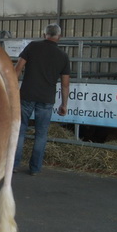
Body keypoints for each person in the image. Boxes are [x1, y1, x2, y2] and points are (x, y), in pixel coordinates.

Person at [14, 23, 70, 176]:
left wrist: (10, 90)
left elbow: (18, 68)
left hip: (26, 95)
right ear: (59, 37)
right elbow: (65, 84)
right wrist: (64, 104)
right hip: (46, 99)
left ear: (44, 34)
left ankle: (14, 165)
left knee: (20, 131)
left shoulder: (32, 47)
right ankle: (35, 168)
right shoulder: (63, 56)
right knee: (41, 134)